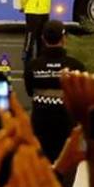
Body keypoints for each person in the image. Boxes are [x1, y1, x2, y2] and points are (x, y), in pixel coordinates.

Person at [22, 19, 86, 160]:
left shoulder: (33, 66)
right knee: (65, 170)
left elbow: (29, 92)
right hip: (67, 125)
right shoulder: (76, 66)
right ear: (64, 39)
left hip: (40, 124)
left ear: (43, 39)